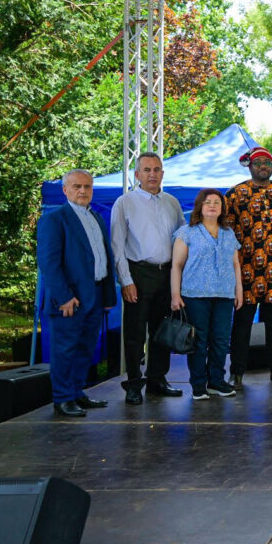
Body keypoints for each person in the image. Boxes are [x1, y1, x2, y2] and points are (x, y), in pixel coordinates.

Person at [36, 169, 116, 417]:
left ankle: (76, 392)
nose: (83, 191)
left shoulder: (97, 218)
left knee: (86, 349)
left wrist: (107, 297)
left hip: (95, 295)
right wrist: (63, 297)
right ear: (65, 190)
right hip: (69, 299)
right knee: (65, 351)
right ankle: (62, 399)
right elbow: (49, 263)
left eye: (87, 187)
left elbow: (104, 258)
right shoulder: (55, 219)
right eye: (77, 186)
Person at [110, 152, 186, 405]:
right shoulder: (124, 203)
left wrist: (180, 277)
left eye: (156, 169)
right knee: (134, 333)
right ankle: (133, 384)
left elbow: (182, 240)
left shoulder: (173, 202)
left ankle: (157, 379)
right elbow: (117, 245)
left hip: (167, 274)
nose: (152, 174)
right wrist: (126, 280)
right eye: (146, 170)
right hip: (139, 274)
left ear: (162, 173)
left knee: (162, 331)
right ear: (137, 174)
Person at [225, 146, 272, 388]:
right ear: (249, 165)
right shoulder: (235, 195)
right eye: (258, 163)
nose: (263, 167)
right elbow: (226, 235)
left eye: (267, 162)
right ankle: (236, 372)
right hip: (245, 272)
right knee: (242, 325)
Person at [170, 189, 242, 400]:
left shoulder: (229, 233)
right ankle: (198, 384)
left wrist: (239, 290)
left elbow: (236, 264)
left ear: (222, 208)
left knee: (220, 340)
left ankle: (217, 381)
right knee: (199, 341)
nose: (212, 205)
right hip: (195, 294)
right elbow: (176, 265)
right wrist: (175, 294)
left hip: (224, 295)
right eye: (208, 202)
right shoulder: (187, 232)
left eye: (217, 203)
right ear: (200, 206)